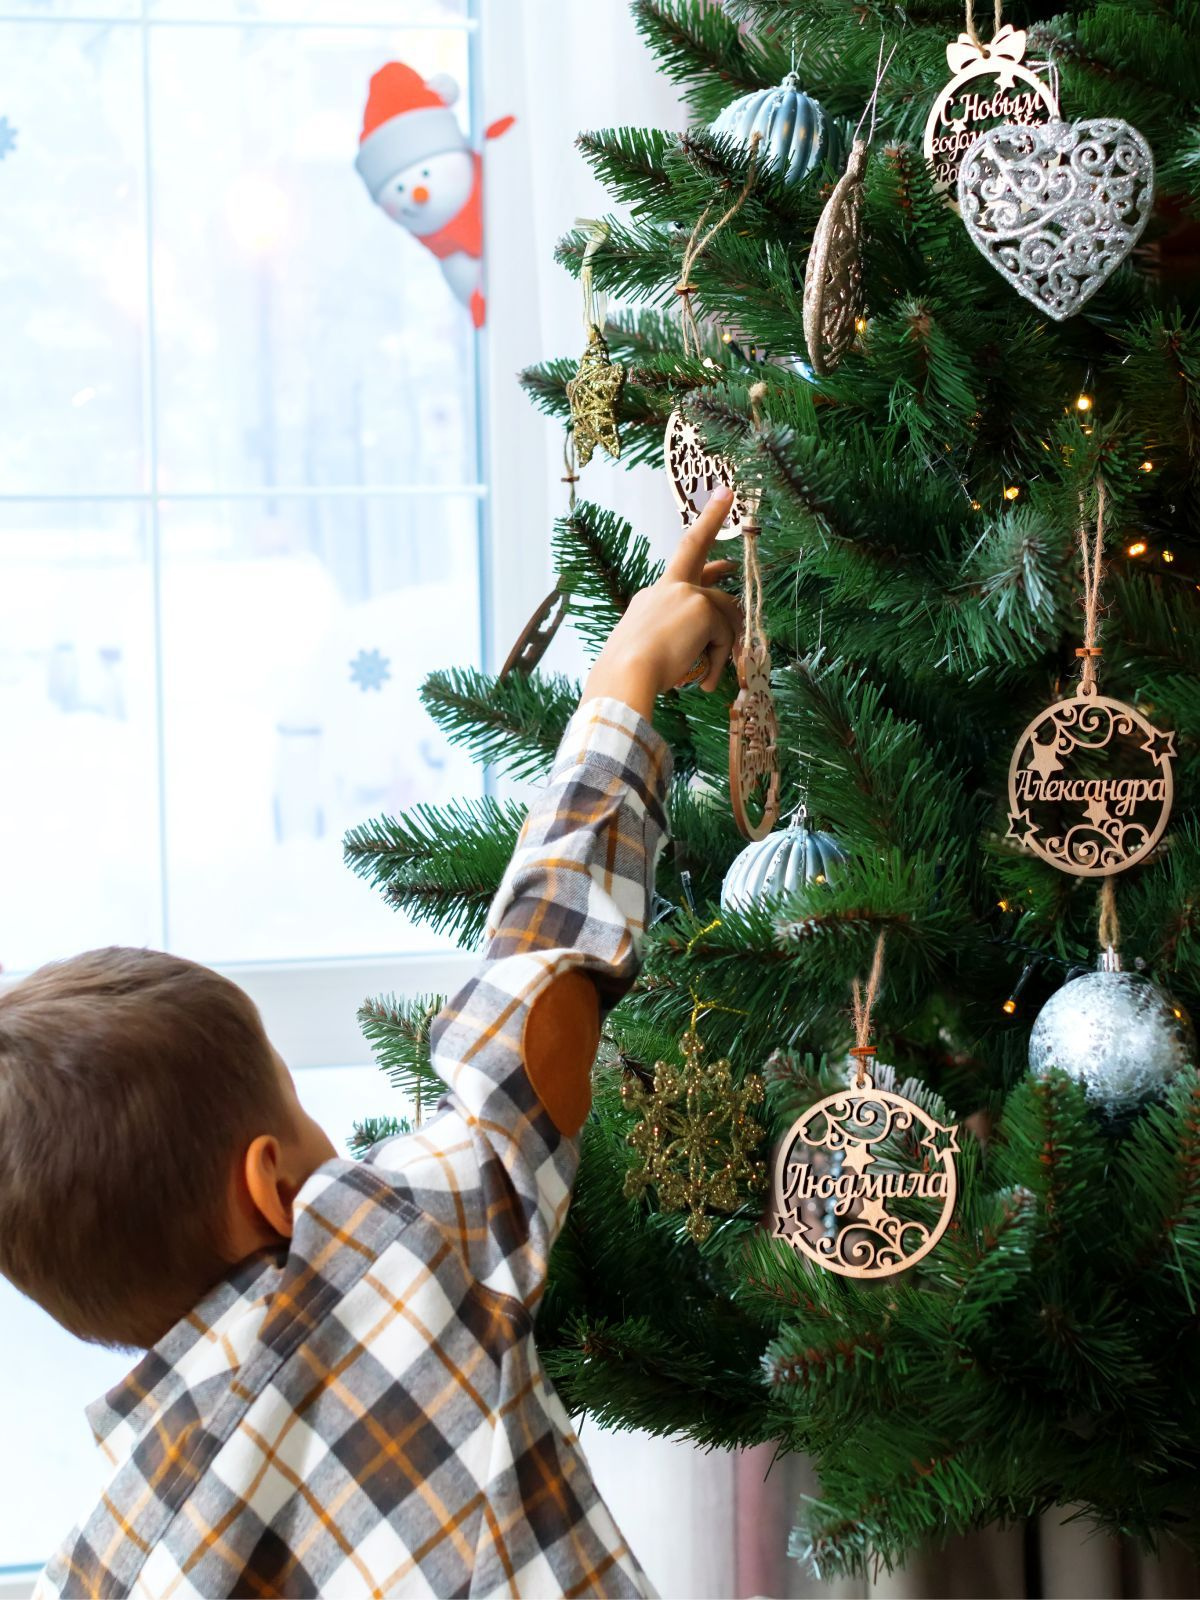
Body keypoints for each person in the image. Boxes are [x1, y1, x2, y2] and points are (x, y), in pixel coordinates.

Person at [5, 489, 742, 1599]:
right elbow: (531, 996)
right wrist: (624, 682)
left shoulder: (107, 1563)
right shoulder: (382, 1258)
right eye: (305, 1114)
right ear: (271, 1185)